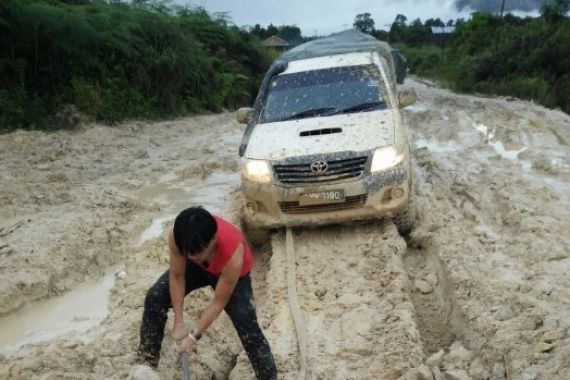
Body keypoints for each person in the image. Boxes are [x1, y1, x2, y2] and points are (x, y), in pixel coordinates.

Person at [138, 206, 277, 379]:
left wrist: (194, 336)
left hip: (231, 274)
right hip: (198, 269)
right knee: (156, 296)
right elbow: (177, 275)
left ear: (213, 239)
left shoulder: (233, 252)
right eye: (191, 254)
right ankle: (147, 362)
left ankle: (268, 376)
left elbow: (218, 302)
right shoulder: (179, 237)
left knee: (249, 331)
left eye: (199, 253)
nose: (195, 257)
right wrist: (179, 322)